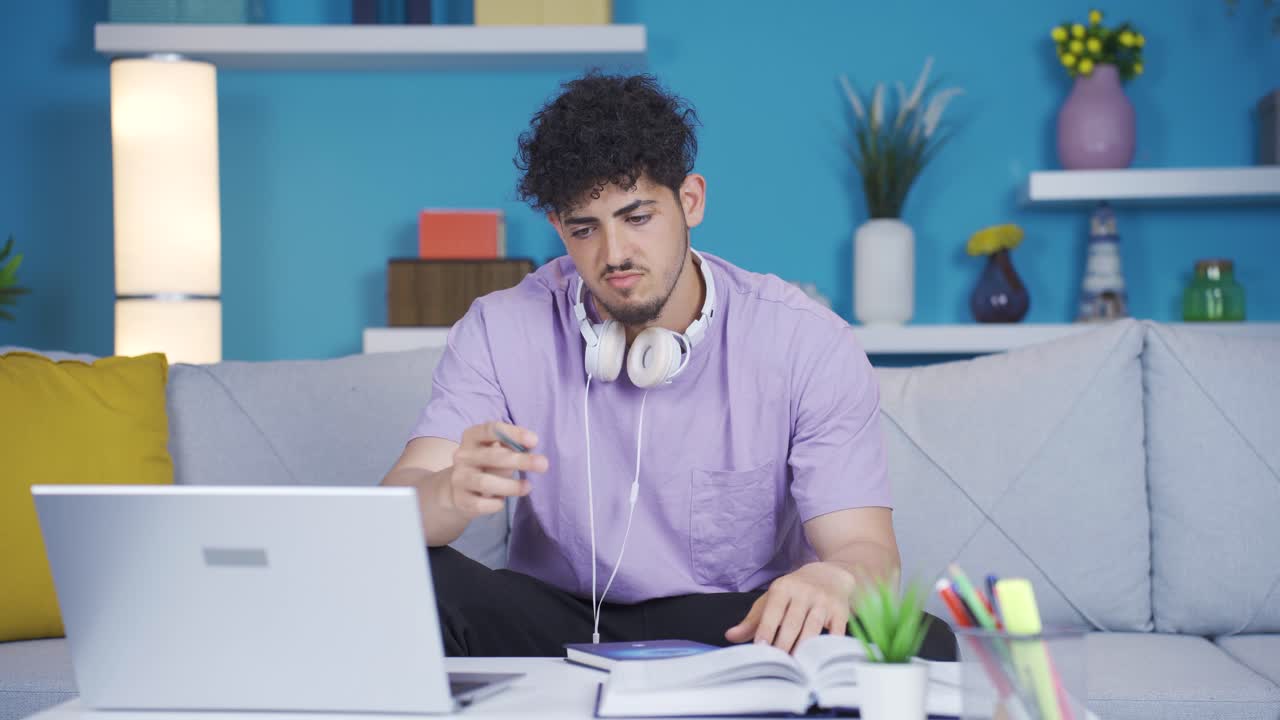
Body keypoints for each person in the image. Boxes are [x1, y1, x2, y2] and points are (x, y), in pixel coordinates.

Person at [381, 71, 956, 661]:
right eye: (585, 229)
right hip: (559, 618)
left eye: (637, 217)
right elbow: (393, 511)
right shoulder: (500, 328)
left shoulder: (805, 341)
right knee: (406, 580)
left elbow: (866, 548)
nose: (615, 255)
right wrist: (449, 492)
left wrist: (837, 579)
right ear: (559, 228)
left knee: (919, 642)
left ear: (690, 201)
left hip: (738, 624)